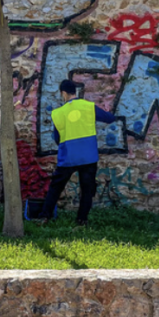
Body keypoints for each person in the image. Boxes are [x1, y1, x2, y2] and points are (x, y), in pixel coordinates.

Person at [42, 79, 116, 227]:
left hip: (68, 156)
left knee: (56, 187)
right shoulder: (88, 107)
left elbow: (57, 138)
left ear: (63, 93)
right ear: (75, 91)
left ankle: (44, 217)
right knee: (87, 190)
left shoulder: (58, 113)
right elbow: (109, 119)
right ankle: (82, 220)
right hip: (88, 156)